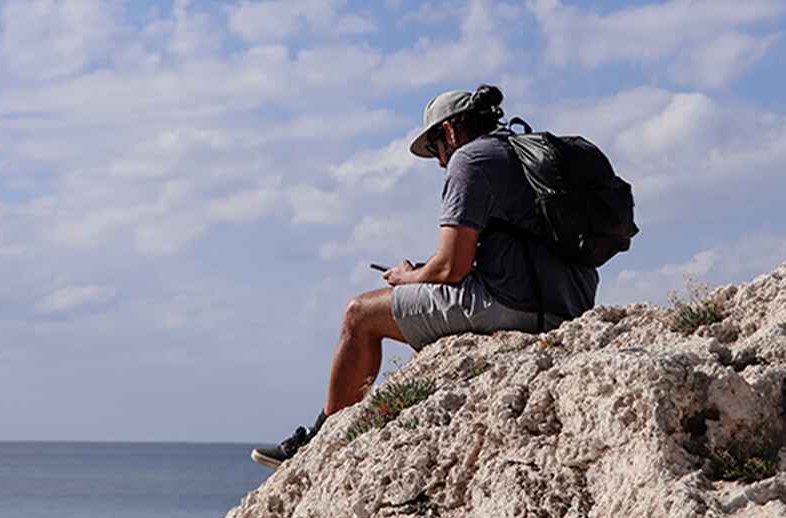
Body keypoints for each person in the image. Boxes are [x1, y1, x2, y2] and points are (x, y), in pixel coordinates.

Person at [250, 85, 600, 469]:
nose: (439, 163)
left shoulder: (471, 159)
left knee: (359, 313)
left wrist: (406, 277)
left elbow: (451, 268)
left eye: (435, 149)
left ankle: (319, 443)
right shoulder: (523, 153)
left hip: (517, 306)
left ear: (448, 132)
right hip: (572, 304)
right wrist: (425, 274)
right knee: (423, 315)